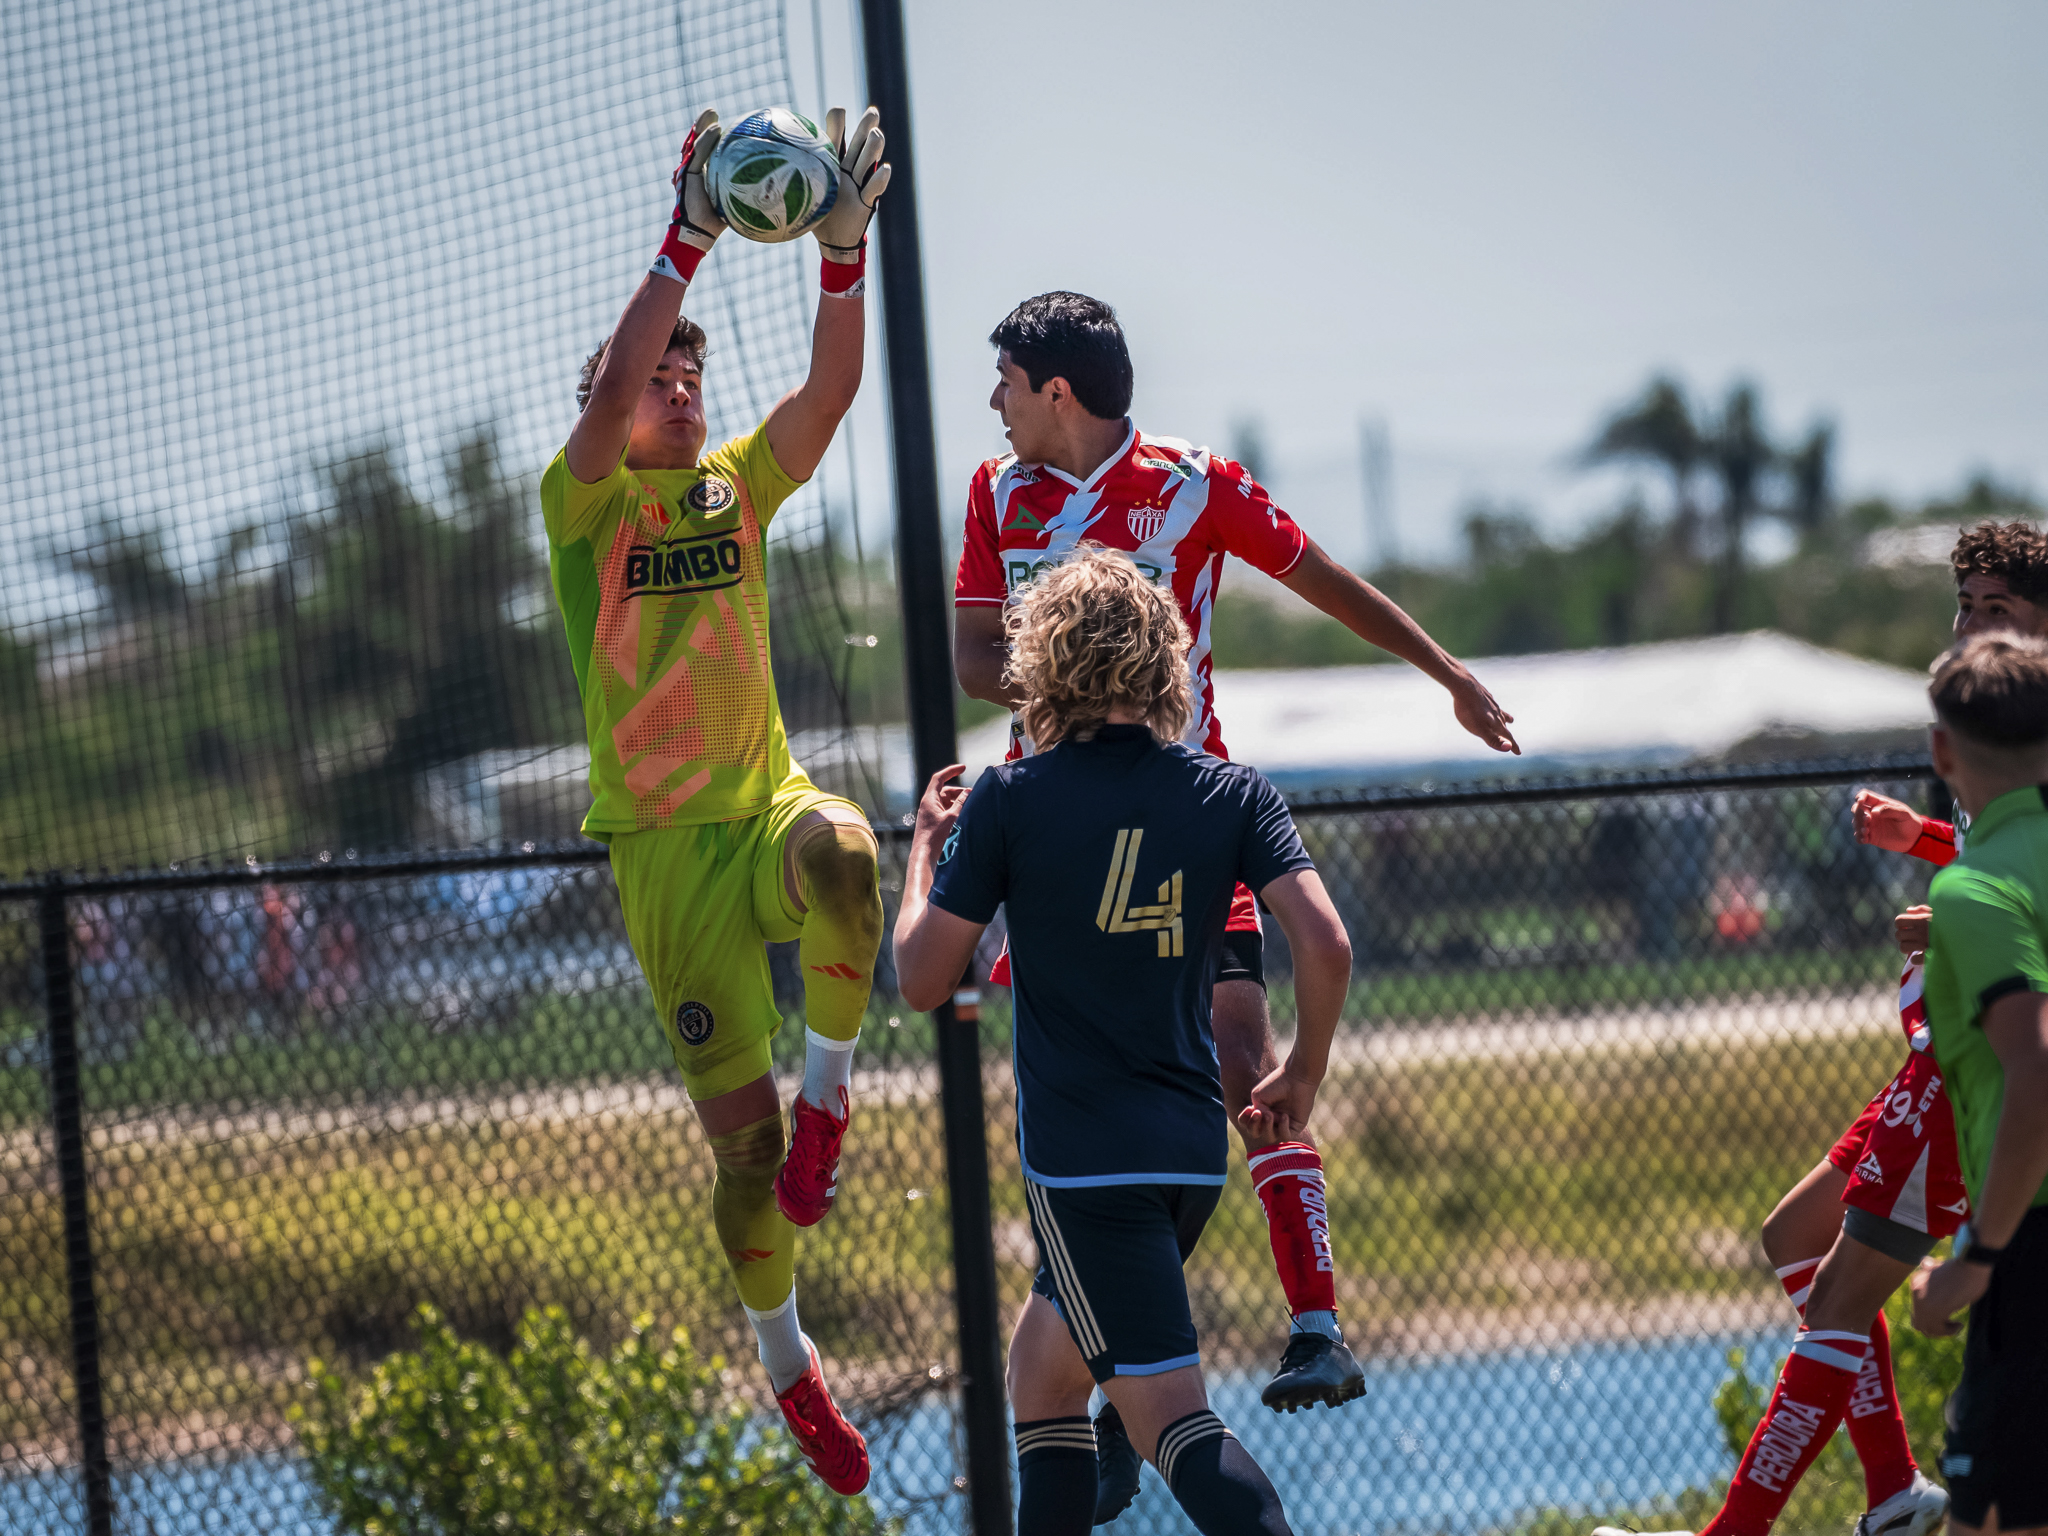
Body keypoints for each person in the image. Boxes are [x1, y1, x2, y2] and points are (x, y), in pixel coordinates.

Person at [952, 290, 1519, 1416]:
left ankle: (1315, 1325)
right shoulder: (993, 492)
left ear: (1053, 389)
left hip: (1181, 819)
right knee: (1066, 1088)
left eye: (1004, 380)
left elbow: (1318, 576)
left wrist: (1445, 672)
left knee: (1241, 1056)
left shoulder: (1192, 484)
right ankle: (1096, 1373)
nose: (992, 402)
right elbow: (974, 654)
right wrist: (1081, 677)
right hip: (1058, 829)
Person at [537, 105, 891, 1495]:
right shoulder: (582, 513)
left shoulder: (738, 490)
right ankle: (788, 1367)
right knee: (741, 1179)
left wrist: (844, 253)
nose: (679, 392)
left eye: (692, 379)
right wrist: (685, 236)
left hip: (762, 815)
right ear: (612, 413)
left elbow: (829, 392)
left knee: (854, 858)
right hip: (665, 867)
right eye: (656, 383)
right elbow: (619, 368)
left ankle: (832, 1108)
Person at [1585, 531, 2048, 1536]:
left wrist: (1955, 918)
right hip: (1934, 1055)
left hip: (1964, 1067)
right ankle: (1889, 1490)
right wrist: (1922, 842)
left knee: (1839, 1296)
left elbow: (2017, 899)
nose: (1970, 623)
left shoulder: (2019, 720)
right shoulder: (1991, 725)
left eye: (1994, 604)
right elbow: (1998, 847)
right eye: (1963, 603)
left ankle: (1736, 1532)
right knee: (1794, 1238)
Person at [897, 546, 1353, 1536]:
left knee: (1171, 1421)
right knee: (1041, 1380)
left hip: (1083, 1171)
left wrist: (921, 857)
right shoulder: (1231, 792)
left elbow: (921, 977)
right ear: (1161, 661)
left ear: (1041, 663)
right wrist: (1300, 1070)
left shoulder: (1009, 799)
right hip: (1187, 1158)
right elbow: (1325, 940)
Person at [1907, 634, 2048, 1536]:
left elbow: (2034, 1071)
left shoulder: (1973, 890)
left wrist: (1976, 1264)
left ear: (1943, 752)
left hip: (2032, 1249)